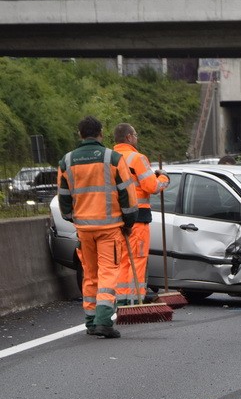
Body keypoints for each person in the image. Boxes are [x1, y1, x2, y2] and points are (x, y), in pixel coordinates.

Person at [58, 116, 138, 339]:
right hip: (109, 228)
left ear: (79, 134)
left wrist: (73, 218)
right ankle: (104, 320)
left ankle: (91, 320)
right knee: (108, 272)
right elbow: (127, 194)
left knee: (90, 274)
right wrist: (129, 222)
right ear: (101, 133)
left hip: (83, 228)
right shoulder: (112, 158)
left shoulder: (67, 161)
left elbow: (64, 198)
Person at [112, 123, 169, 306]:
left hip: (115, 219)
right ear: (128, 137)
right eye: (135, 135)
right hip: (138, 219)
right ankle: (136, 299)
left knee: (122, 260)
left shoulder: (109, 158)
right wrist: (164, 178)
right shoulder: (137, 158)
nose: (137, 138)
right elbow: (152, 186)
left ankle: (121, 300)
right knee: (137, 258)